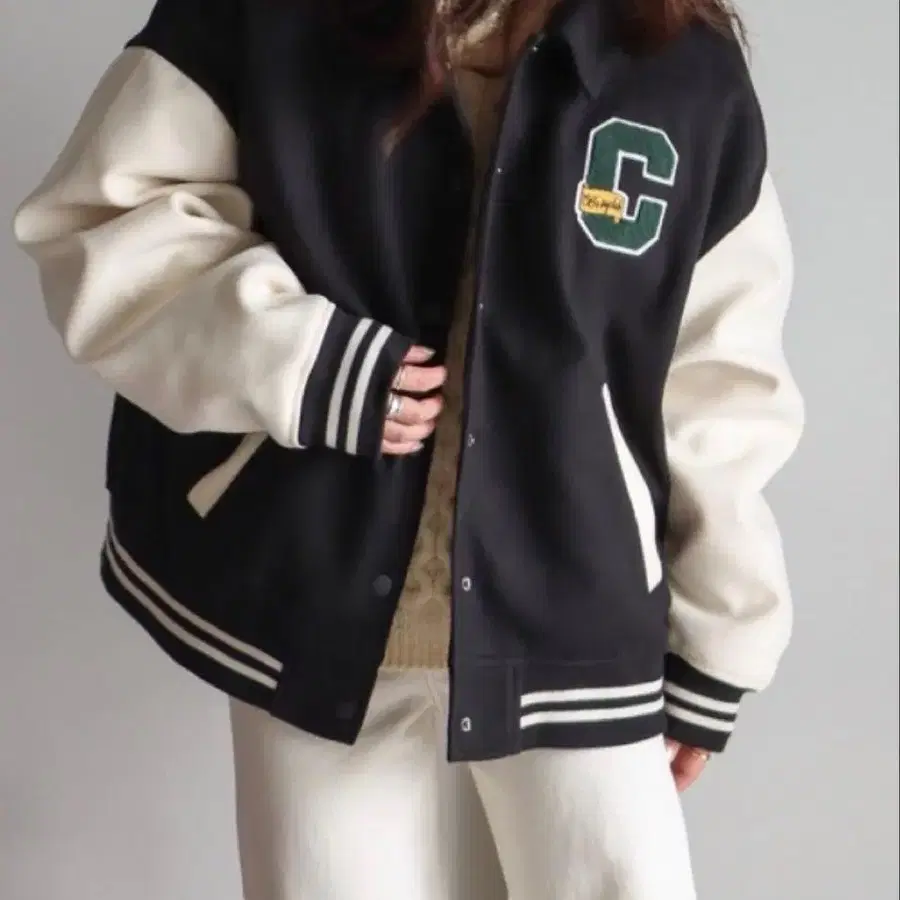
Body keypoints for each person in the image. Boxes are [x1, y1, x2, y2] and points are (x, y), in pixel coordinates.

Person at [13, 0, 804, 897]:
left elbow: (718, 380)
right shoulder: (262, 16)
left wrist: (720, 641)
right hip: (310, 596)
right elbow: (106, 219)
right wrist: (304, 362)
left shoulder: (683, 72)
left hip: (574, 616)